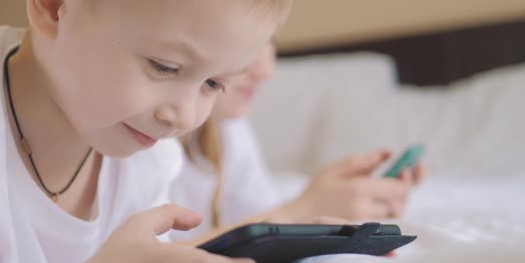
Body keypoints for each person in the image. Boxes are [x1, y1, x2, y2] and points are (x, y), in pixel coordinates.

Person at [0, 0, 296, 263]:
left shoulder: (150, 159)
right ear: (54, 3)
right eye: (165, 66)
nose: (184, 117)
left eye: (213, 83)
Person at [170, 42, 427, 242]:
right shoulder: (143, 143)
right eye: (252, 39)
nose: (267, 70)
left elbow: (255, 221)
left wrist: (346, 208)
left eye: (271, 39)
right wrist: (303, 209)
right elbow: (146, 262)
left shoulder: (227, 127)